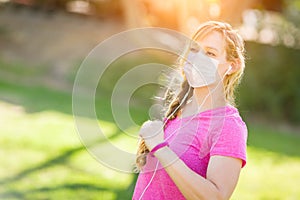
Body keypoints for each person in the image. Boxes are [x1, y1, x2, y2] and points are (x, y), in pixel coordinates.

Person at [133, 21, 247, 200]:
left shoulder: (228, 126)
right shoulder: (179, 110)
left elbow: (216, 197)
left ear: (232, 66)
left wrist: (161, 149)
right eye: (194, 50)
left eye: (210, 53)